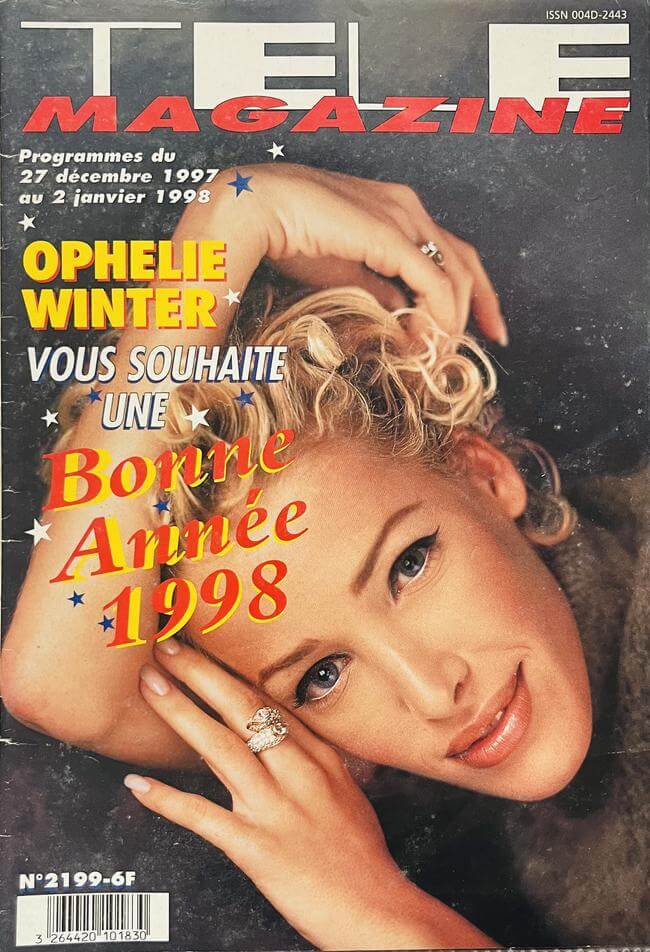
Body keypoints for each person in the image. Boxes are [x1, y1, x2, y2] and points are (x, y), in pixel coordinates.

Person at [1, 165, 645, 949]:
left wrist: (372, 912)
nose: (433, 694)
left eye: (409, 565)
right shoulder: (397, 765)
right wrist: (237, 222)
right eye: (322, 677)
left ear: (485, 473)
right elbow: (53, 682)